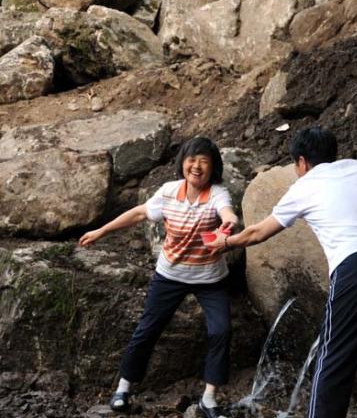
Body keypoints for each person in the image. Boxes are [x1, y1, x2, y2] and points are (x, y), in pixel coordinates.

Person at [208, 126, 357, 418]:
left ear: (302, 162)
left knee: (335, 357)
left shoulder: (303, 186)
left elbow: (258, 232)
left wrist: (226, 243)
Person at [79, 137, 238, 418]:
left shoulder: (217, 194)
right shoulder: (168, 192)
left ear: (213, 167)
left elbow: (228, 213)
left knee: (220, 331)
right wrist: (102, 231)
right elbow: (140, 213)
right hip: (170, 275)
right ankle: (123, 388)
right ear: (182, 163)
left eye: (204, 161)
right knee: (147, 329)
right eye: (191, 160)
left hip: (210, 278)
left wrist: (228, 223)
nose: (197, 166)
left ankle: (209, 399)